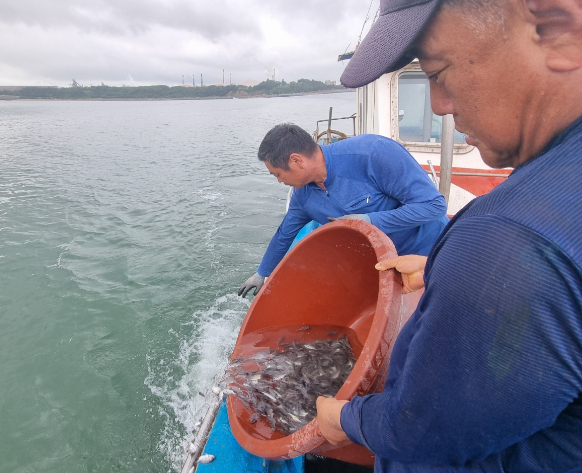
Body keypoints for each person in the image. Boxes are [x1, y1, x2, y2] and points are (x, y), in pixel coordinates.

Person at [315, 0, 582, 471]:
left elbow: (419, 432)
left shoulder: (507, 239)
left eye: (438, 71)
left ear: (555, 30)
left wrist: (348, 418)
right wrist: (441, 268)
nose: (438, 105)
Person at [238, 124, 449, 297]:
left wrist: (368, 220)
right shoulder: (302, 196)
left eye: (277, 174)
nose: (279, 181)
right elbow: (284, 234)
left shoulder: (374, 153)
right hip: (388, 269)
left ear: (296, 160)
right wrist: (261, 273)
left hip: (436, 255)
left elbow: (434, 206)